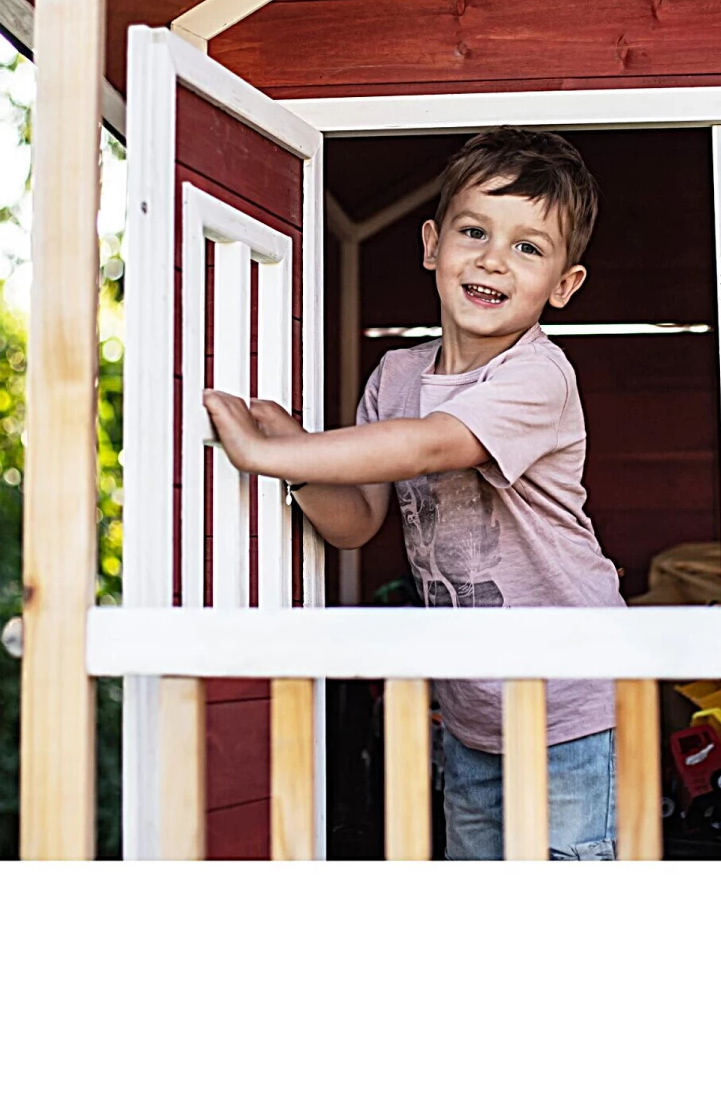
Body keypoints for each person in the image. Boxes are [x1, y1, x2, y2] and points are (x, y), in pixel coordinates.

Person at [202, 128, 622, 860]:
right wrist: (297, 469)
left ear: (564, 285)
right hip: (471, 714)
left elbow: (433, 443)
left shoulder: (537, 375)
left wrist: (274, 450)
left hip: (568, 707)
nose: (492, 259)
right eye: (474, 232)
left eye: (528, 247)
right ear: (432, 245)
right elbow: (357, 521)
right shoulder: (396, 376)